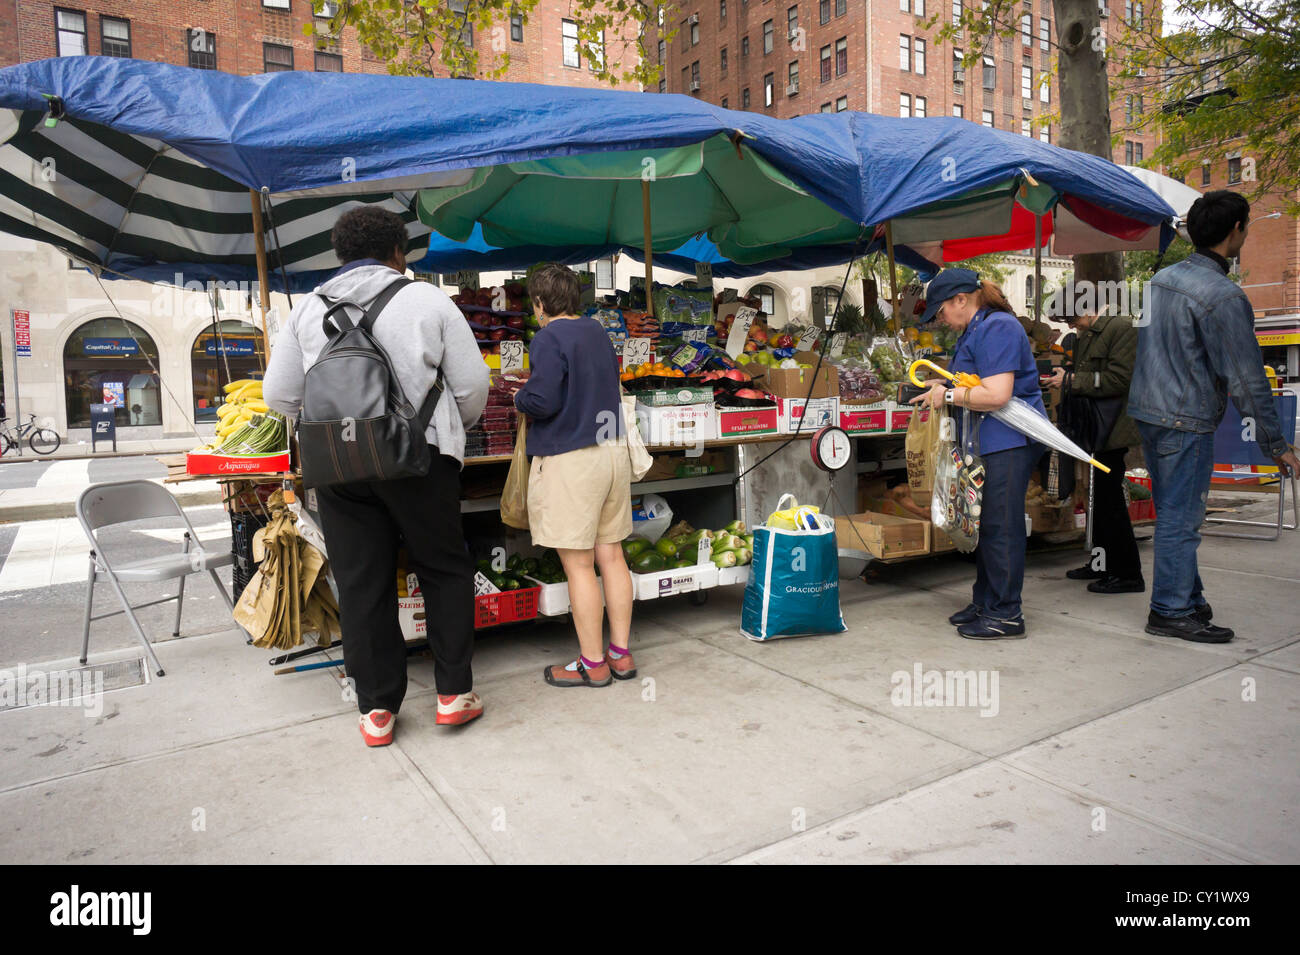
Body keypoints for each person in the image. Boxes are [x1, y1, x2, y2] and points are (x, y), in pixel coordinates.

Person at [263, 206, 490, 746]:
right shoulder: (428, 300)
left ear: (340, 254)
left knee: (362, 582)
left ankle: (377, 711)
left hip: (338, 466)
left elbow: (279, 396)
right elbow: (473, 385)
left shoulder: (306, 310)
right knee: (442, 569)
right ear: (398, 251)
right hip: (420, 459)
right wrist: (448, 426)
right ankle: (454, 696)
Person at [1128, 190, 1300, 643]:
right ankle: (1170, 609)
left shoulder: (1160, 281)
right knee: (1180, 520)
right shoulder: (1223, 296)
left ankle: (1188, 597)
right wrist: (1276, 443)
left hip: (1151, 413)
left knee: (1172, 514)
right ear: (1236, 231)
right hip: (1184, 419)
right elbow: (1247, 379)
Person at [513, 263, 635, 687]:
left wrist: (519, 396)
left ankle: (592, 663)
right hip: (612, 452)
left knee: (580, 566)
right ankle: (620, 655)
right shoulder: (597, 331)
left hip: (572, 459)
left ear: (540, 303)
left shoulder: (548, 337)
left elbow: (543, 400)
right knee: (612, 556)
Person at [911, 268, 1045, 639]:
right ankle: (985, 601)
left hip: (1009, 441)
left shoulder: (999, 327)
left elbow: (998, 394)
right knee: (984, 524)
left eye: (941, 311)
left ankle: (1006, 613)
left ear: (961, 299)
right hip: (985, 442)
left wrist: (948, 395)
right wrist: (945, 383)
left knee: (1002, 528)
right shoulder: (977, 328)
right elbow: (976, 380)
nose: (940, 319)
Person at [1046, 309, 1144, 593]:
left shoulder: (1122, 328)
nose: (1070, 326)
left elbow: (1118, 379)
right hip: (1094, 427)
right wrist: (1069, 376)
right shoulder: (1087, 334)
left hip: (1112, 428)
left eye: (1071, 319)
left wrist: (1072, 380)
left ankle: (1127, 574)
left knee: (1109, 501)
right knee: (1096, 499)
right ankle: (1101, 563)